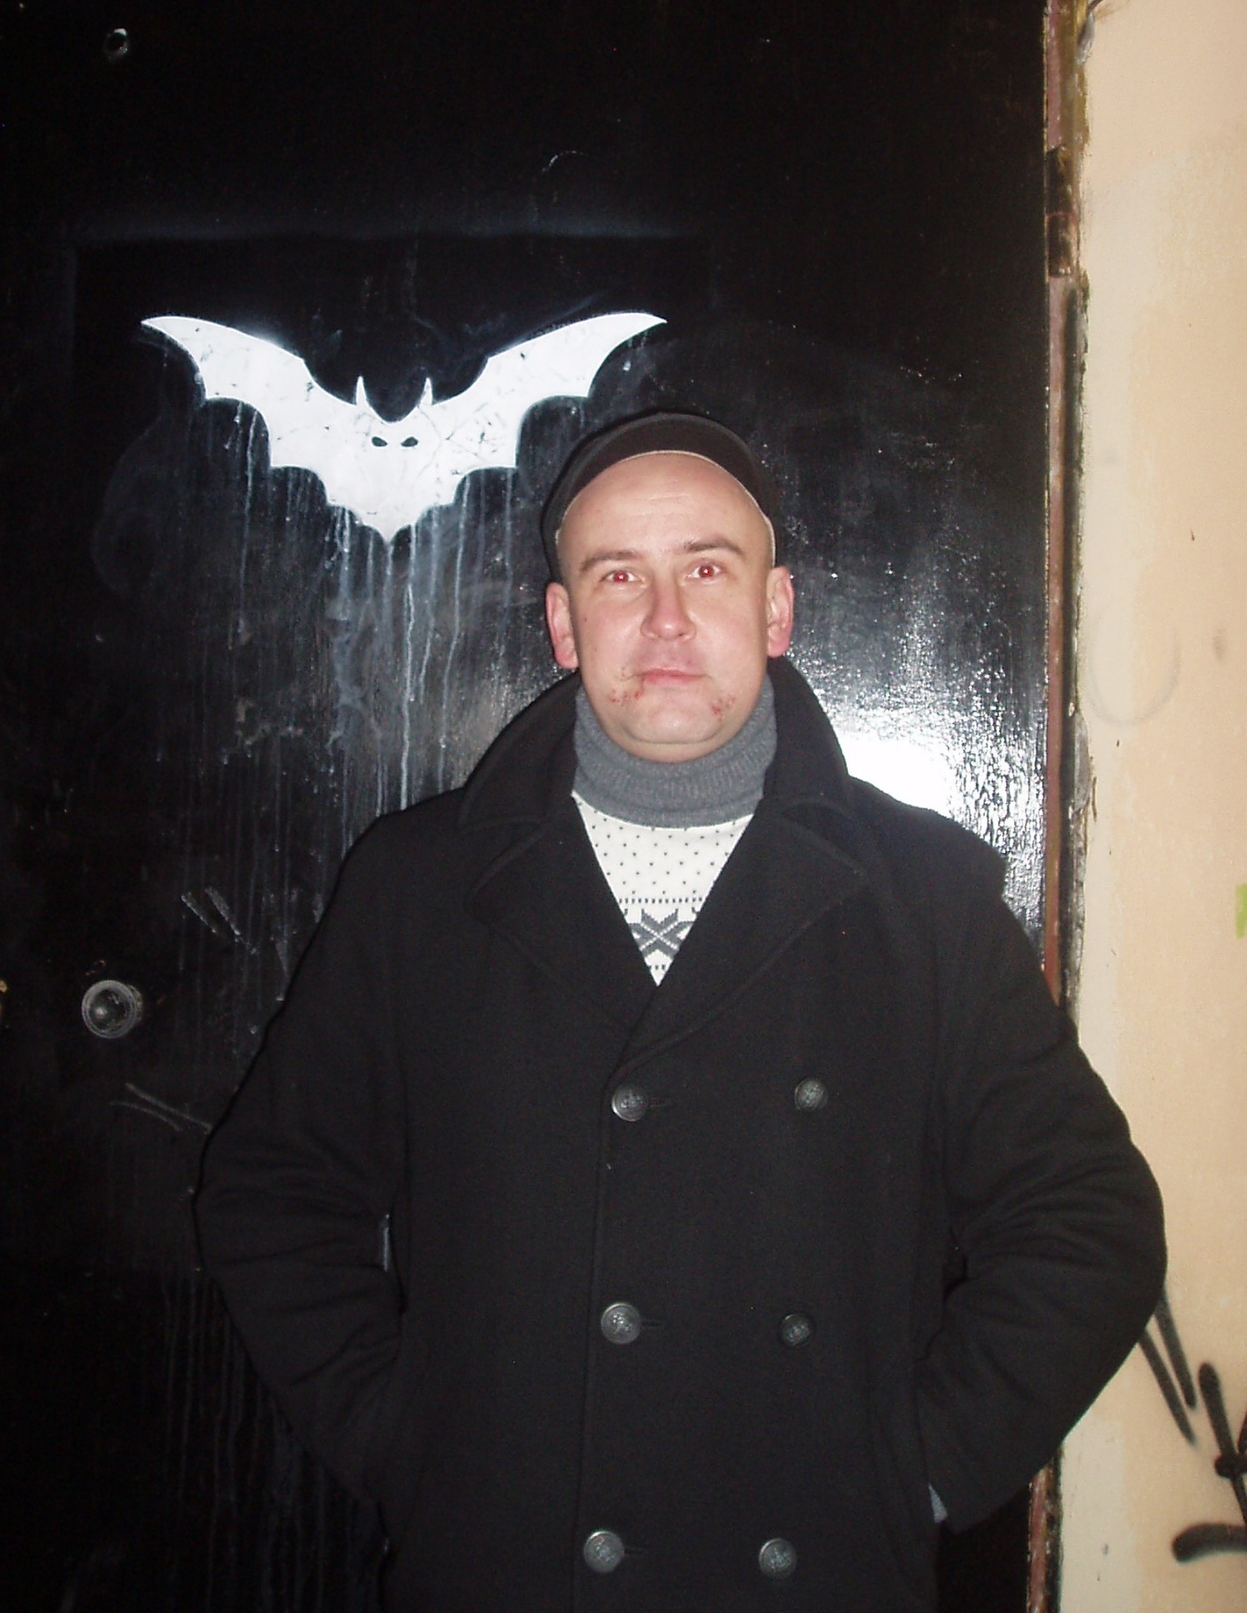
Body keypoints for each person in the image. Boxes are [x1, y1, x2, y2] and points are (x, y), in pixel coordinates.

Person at [196, 411, 1164, 1612]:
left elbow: (1089, 1217)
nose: (664, 617)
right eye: (619, 576)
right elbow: (273, 1193)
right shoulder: (418, 886)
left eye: (707, 569)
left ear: (776, 608)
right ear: (563, 624)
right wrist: (412, 1442)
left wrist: (915, 1470)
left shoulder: (924, 894)